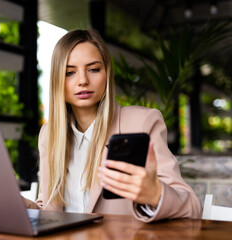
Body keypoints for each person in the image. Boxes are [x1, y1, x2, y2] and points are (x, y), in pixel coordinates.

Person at [24, 29, 202, 222]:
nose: (83, 80)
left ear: (107, 74)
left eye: (93, 69)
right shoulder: (49, 134)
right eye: (70, 72)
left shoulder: (141, 123)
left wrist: (156, 195)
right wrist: (25, 206)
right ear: (58, 80)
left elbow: (192, 207)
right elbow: (49, 208)